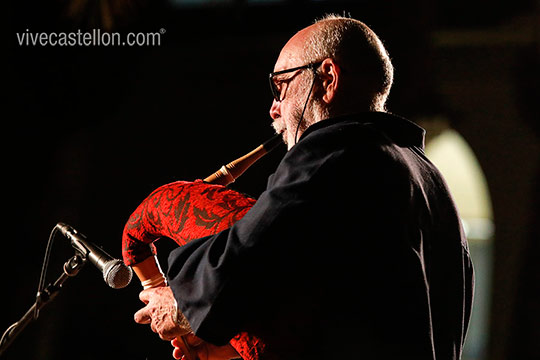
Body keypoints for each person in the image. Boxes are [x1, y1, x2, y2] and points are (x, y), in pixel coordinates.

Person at [133, 14, 474, 360]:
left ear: (327, 78)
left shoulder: (335, 151)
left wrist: (179, 304)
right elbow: (344, 296)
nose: (273, 109)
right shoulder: (431, 182)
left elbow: (244, 259)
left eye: (281, 86)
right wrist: (230, 337)